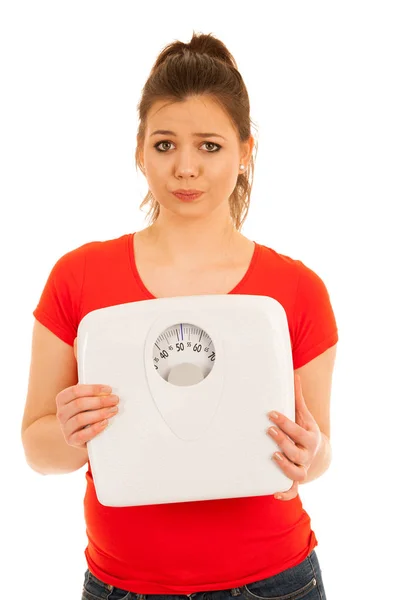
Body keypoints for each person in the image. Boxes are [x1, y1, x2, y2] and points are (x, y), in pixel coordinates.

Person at [21, 31, 338, 600]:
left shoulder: (298, 290)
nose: (185, 167)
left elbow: (315, 454)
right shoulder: (77, 278)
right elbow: (37, 448)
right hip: (123, 587)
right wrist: (73, 433)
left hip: (275, 584)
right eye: (165, 144)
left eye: (210, 146)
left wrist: (309, 454)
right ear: (140, 148)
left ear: (245, 152)